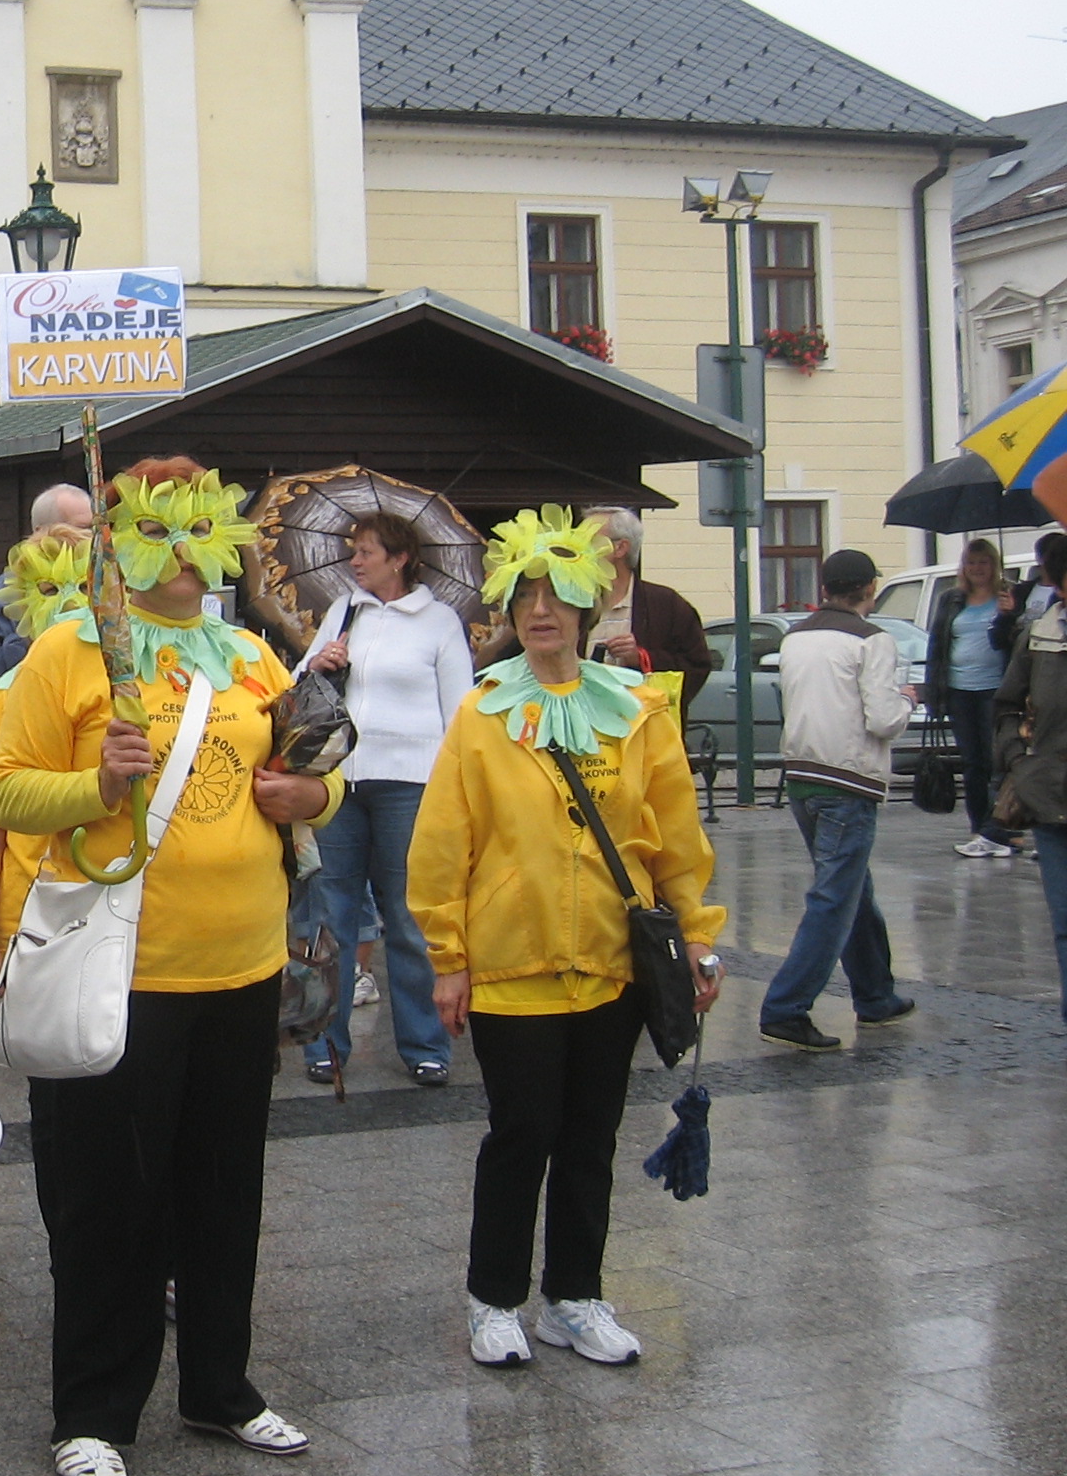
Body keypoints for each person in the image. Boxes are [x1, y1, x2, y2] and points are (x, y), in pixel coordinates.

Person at [0, 458, 337, 1476]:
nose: (183, 554)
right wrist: (96, 782)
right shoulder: (70, 650)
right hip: (121, 972)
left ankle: (221, 1388)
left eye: (199, 531)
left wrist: (308, 799)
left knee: (225, 1193)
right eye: (157, 531)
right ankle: (92, 1409)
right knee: (110, 1203)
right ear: (118, 542)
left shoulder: (250, 656)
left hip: (241, 968)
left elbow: (324, 770)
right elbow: (5, 793)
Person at [408, 506, 725, 1370]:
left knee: (592, 1135)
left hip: (614, 965)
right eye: (526, 596)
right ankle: (494, 1299)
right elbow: (444, 842)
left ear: (590, 607)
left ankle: (575, 1297)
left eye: (559, 595)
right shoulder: (484, 713)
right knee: (521, 1134)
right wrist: (448, 957)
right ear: (509, 611)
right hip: (514, 964)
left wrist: (697, 936)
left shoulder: (639, 710)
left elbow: (673, 835)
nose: (541, 610)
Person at [296, 510, 474, 1087]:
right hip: (343, 782)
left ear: (398, 558)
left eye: (366, 552)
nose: (355, 561)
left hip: (411, 783)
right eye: (353, 552)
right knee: (333, 915)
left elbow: (460, 711)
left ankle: (425, 1045)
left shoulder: (440, 621)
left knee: (405, 916)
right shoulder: (343, 613)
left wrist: (455, 786)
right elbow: (298, 685)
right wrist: (318, 661)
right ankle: (325, 1041)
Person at [760, 549, 916, 1050]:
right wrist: (909, 698)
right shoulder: (874, 640)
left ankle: (875, 996)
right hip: (848, 779)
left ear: (825, 587)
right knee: (834, 899)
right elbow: (883, 719)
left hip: (802, 774)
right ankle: (786, 1007)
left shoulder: (797, 636)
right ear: (869, 589)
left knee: (852, 891)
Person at [0, 526, 89, 995]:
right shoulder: (2, 702)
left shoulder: (133, 687)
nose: (69, 602)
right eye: (49, 589)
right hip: (34, 922)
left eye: (84, 586)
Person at [0, 481, 96, 703]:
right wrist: (25, 641)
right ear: (40, 532)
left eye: (93, 528)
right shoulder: (5, 595)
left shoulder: (105, 583)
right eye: (79, 528)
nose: (89, 538)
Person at [994, 595, 1067, 1020]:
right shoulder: (1040, 637)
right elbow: (1006, 705)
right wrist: (1018, 761)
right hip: (1047, 794)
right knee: (1063, 922)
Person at [583, 507, 714, 730]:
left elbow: (696, 666)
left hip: (642, 731)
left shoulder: (665, 604)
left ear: (620, 547)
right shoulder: (570, 601)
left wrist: (642, 658)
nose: (580, 549)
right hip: (582, 728)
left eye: (590, 541)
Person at [930, 538, 1019, 857]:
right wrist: (934, 695)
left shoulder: (1007, 597)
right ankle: (979, 826)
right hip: (959, 690)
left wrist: (1008, 615)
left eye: (983, 562)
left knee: (998, 761)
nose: (977, 568)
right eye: (971, 562)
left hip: (995, 689)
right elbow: (937, 646)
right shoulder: (952, 600)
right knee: (972, 763)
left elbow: (1011, 642)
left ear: (994, 565)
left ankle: (1000, 829)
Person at [995, 532, 1067, 655]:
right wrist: (1006, 615)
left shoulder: (1061, 597)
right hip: (1020, 660)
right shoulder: (1020, 591)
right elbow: (998, 641)